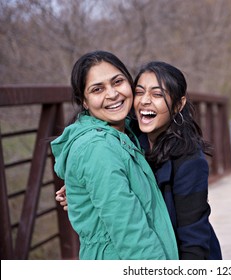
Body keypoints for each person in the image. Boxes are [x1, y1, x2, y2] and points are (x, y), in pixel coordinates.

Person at [56, 61, 222, 260]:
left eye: (157, 94)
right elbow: (105, 170)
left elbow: (194, 238)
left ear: (178, 105)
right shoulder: (128, 136)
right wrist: (81, 186)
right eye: (140, 92)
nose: (145, 101)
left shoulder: (189, 160)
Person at [51, 51, 178, 260]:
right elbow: (131, 234)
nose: (112, 94)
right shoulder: (97, 149)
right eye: (97, 89)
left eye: (117, 82)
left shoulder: (124, 134)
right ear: (84, 101)